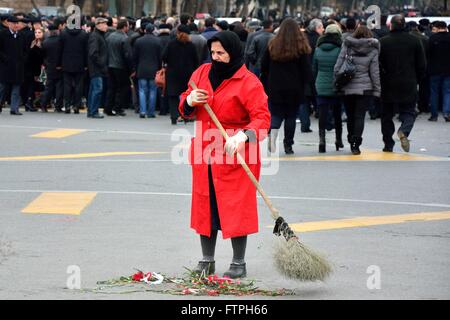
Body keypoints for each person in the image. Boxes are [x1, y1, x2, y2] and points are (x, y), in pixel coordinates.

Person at [179, 31, 270, 279]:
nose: (216, 57)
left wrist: (244, 136)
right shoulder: (201, 73)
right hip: (205, 153)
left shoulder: (249, 82)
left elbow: (262, 119)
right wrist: (189, 100)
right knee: (205, 207)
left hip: (235, 154)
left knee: (235, 208)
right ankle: (206, 260)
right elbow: (184, 105)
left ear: (234, 52)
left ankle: (238, 263)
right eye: (213, 52)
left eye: (221, 53)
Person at [260, 18, 312, 154]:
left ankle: (272, 137)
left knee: (276, 115)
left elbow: (264, 66)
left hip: (275, 86)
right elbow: (306, 69)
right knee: (291, 117)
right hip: (295, 87)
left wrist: (265, 83)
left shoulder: (273, 45)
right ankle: (288, 144)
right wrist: (308, 86)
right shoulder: (301, 47)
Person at [379, 16, 426, 152]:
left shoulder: (383, 42)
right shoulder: (415, 41)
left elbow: (378, 63)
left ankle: (388, 144)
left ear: (391, 26)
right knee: (409, 112)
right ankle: (404, 130)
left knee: (386, 115)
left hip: (388, 83)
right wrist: (417, 79)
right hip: (409, 81)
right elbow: (422, 64)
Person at [334, 25, 380, 155]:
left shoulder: (347, 45)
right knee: (360, 116)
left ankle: (350, 137)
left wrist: (336, 84)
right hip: (365, 88)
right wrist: (377, 90)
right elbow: (374, 73)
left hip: (347, 86)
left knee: (350, 115)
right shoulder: (373, 50)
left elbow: (338, 66)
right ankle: (356, 143)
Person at [313, 24, 343, 153]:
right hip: (336, 85)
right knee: (337, 115)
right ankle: (338, 139)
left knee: (323, 115)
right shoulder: (340, 50)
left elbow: (314, 69)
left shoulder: (318, 50)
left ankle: (322, 140)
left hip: (320, 85)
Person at [163, 24, 199, 125]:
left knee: (173, 96)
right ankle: (185, 116)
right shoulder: (191, 45)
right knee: (186, 95)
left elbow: (164, 56)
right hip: (187, 74)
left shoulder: (171, 44)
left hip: (173, 73)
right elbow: (196, 60)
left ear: (178, 33)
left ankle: (174, 117)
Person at [0, 15, 28, 116]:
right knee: (3, 88)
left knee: (16, 88)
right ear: (8, 24)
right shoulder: (3, 34)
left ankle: (14, 109)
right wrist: (5, 59)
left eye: (17, 23)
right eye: (13, 23)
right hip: (6, 66)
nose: (16, 25)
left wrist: (23, 59)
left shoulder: (21, 35)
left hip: (18, 66)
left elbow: (26, 50)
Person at [133, 23, 162, 118]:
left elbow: (135, 57)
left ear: (145, 30)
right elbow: (160, 57)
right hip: (154, 69)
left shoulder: (138, 41)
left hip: (141, 68)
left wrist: (135, 68)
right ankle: (151, 112)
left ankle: (142, 111)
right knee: (153, 90)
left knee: (142, 90)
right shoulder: (158, 41)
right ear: (153, 30)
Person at [87, 17, 109, 119]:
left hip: (96, 67)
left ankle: (91, 111)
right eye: (104, 24)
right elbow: (93, 54)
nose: (106, 26)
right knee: (97, 89)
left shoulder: (99, 35)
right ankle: (93, 111)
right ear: (98, 25)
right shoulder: (95, 36)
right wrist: (102, 64)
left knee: (94, 90)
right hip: (96, 68)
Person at [427, 21, 450, 122]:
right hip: (448, 69)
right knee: (447, 91)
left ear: (437, 27)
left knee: (434, 92)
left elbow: (427, 54)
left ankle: (434, 115)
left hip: (434, 70)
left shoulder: (432, 38)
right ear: (445, 27)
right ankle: (446, 113)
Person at [40, 24, 63, 113]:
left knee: (49, 87)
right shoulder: (60, 41)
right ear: (57, 31)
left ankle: (43, 105)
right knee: (59, 88)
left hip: (49, 67)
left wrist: (46, 64)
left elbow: (43, 56)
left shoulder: (45, 42)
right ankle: (58, 106)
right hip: (59, 67)